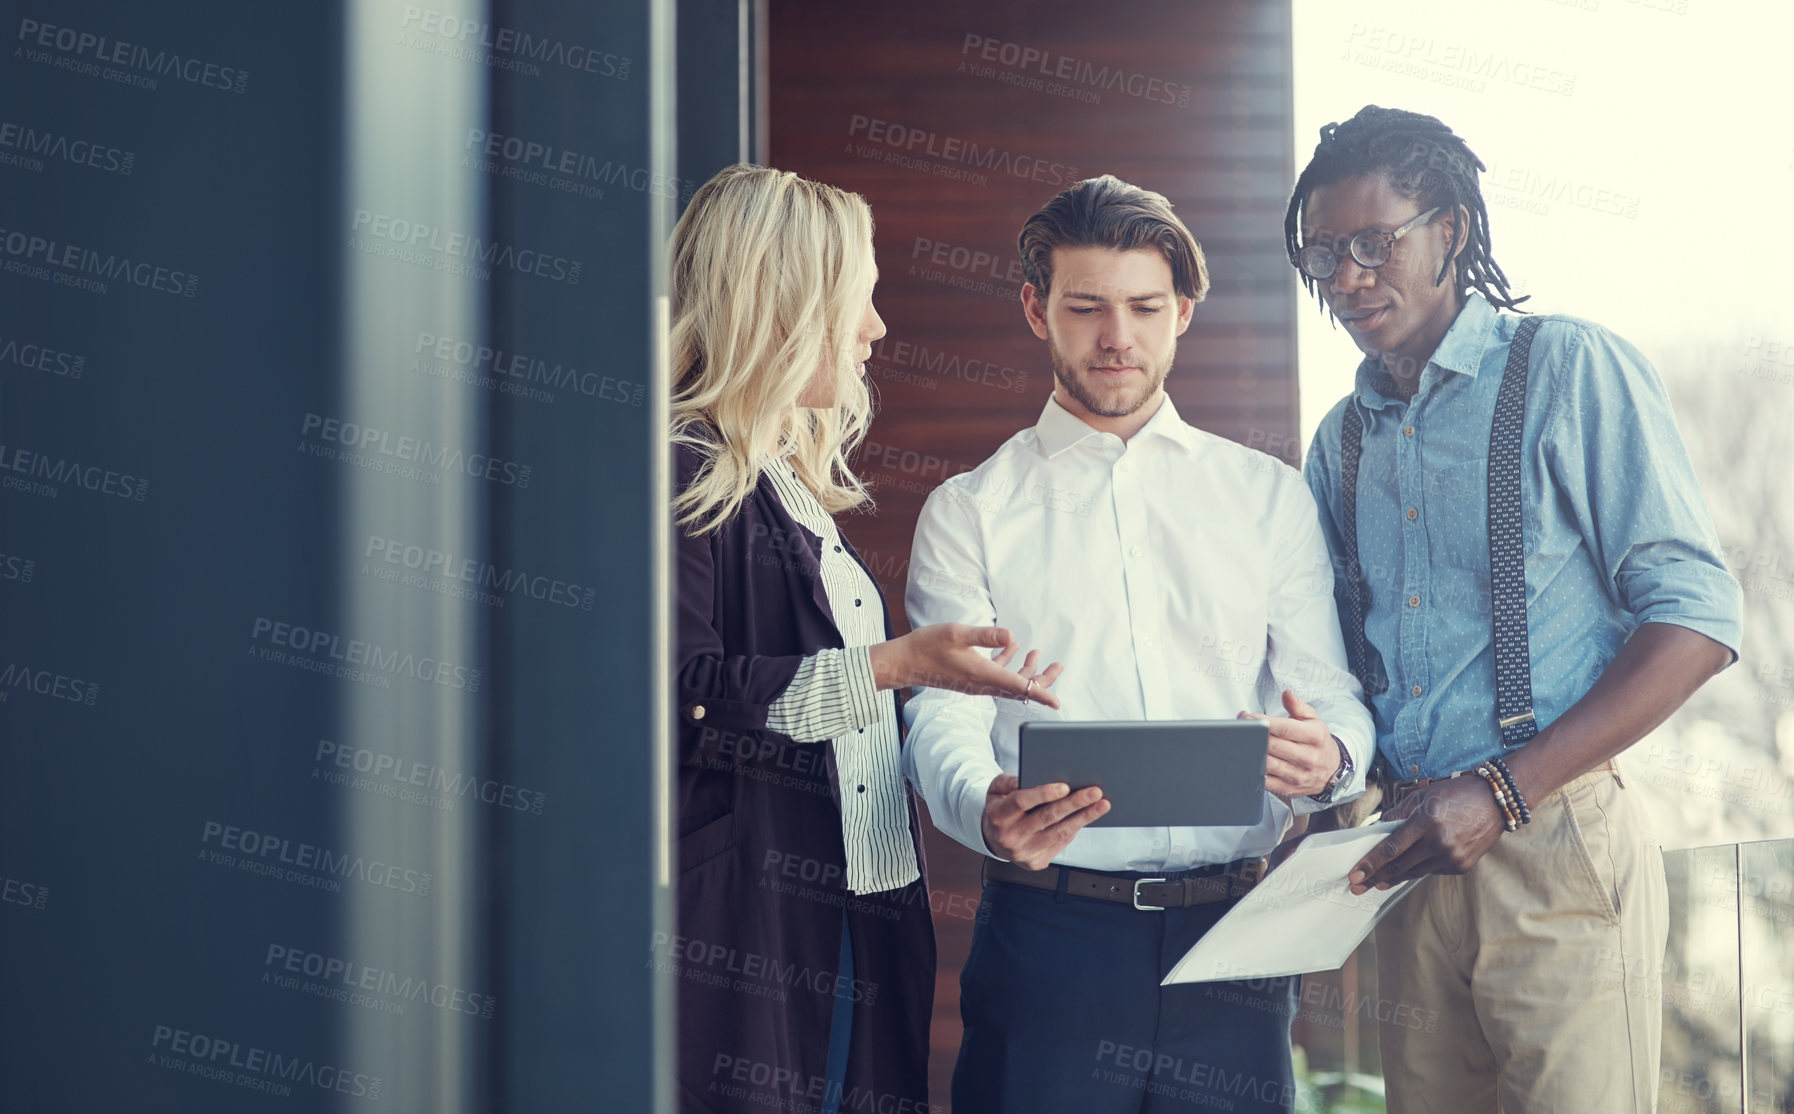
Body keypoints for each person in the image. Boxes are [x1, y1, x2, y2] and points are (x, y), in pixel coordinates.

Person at [1288, 106, 1743, 1114]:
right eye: (1323, 254)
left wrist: (1501, 791)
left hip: (1558, 848)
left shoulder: (1571, 368)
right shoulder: (1339, 444)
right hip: (1401, 855)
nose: (1347, 277)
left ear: (1448, 231)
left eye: (1374, 243)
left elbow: (1700, 618)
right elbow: (1328, 670)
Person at [902, 174, 1375, 1114]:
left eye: (1145, 307)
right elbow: (940, 715)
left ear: (1185, 312)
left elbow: (1334, 698)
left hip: (1237, 948)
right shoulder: (969, 512)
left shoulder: (1267, 497)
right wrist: (981, 802)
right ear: (1037, 310)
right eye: (1085, 308)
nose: (1116, 337)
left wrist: (1330, 759)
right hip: (1049, 949)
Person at [667, 164, 1068, 1114]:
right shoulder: (688, 469)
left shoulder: (791, 482)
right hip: (760, 930)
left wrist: (948, 681)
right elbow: (682, 695)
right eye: (861, 301)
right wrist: (893, 665)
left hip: (868, 905)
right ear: (780, 306)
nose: (877, 330)